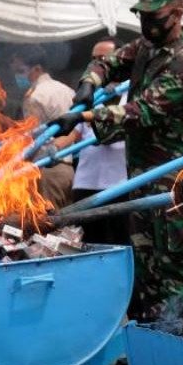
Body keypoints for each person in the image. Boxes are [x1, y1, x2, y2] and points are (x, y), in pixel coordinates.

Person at [53, 0, 183, 324]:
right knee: (145, 260)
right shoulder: (146, 47)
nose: (147, 25)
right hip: (139, 176)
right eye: (142, 17)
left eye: (156, 17)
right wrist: (88, 85)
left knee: (175, 261)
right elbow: (108, 62)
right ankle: (150, 331)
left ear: (177, 14)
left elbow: (141, 112)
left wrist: (84, 115)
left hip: (172, 180)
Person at [62, 36, 131, 245]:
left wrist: (95, 117)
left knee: (120, 243)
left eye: (104, 58)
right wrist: (53, 149)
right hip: (86, 183)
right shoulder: (88, 96)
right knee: (89, 243)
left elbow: (112, 133)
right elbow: (75, 134)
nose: (98, 64)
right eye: (94, 59)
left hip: (121, 184)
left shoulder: (133, 94)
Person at [10, 44, 76, 210]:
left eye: (20, 71)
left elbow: (31, 139)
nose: (17, 77)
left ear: (37, 68)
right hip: (68, 170)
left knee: (47, 226)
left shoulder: (35, 97)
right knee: (66, 228)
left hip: (47, 170)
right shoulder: (67, 90)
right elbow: (78, 130)